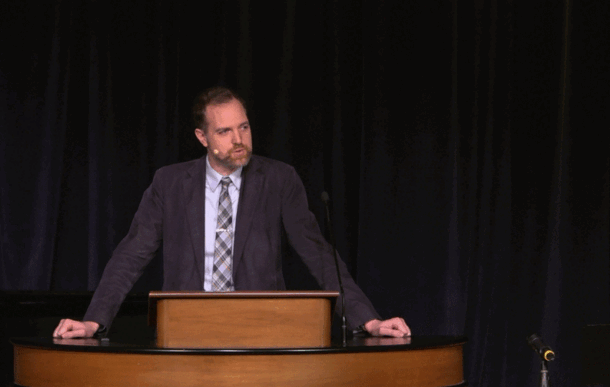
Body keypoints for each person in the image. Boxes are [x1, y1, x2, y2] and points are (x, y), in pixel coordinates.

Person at [54, 87, 410, 339]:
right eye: (224, 131)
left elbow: (318, 255)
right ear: (202, 137)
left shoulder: (279, 180)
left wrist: (369, 321)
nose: (238, 139)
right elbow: (131, 255)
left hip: (263, 332)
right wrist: (93, 322)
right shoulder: (170, 183)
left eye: (244, 127)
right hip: (186, 333)